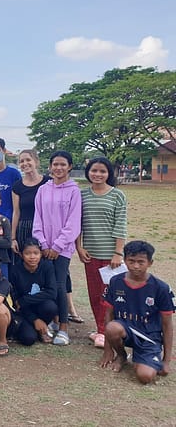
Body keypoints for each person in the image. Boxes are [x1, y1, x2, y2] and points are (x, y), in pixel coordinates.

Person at [100, 241, 174, 384]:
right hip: (125, 330)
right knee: (112, 327)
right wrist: (107, 350)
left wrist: (166, 361)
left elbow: (167, 325)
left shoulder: (161, 288)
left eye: (141, 262)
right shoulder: (115, 282)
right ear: (125, 260)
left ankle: (144, 357)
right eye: (131, 261)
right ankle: (121, 356)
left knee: (145, 376)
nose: (135, 266)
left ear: (150, 263)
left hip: (149, 337)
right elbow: (108, 315)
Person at [76, 156, 127, 349]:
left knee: (112, 295)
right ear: (88, 172)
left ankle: (113, 330)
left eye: (102, 171)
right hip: (90, 254)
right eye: (94, 170)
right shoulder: (82, 195)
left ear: (109, 174)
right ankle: (100, 331)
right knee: (95, 294)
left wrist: (118, 253)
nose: (97, 174)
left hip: (111, 255)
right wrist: (79, 247)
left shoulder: (117, 195)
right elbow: (77, 224)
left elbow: (120, 225)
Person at [32, 150, 81, 346]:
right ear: (50, 166)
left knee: (60, 286)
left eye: (63, 164)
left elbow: (73, 222)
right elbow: (38, 218)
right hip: (43, 247)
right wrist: (43, 244)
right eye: (55, 164)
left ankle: (63, 328)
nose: (59, 168)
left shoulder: (74, 190)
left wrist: (58, 246)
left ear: (69, 166)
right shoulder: (43, 189)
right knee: (45, 285)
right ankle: (50, 321)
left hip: (63, 249)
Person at [11, 238, 58, 346]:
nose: (32, 257)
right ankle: (36, 327)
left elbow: (52, 292)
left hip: (40, 307)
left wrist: (25, 300)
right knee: (28, 339)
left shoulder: (47, 266)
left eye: (36, 253)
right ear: (21, 255)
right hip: (24, 312)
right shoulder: (15, 270)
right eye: (28, 253)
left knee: (51, 307)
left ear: (41, 254)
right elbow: (16, 301)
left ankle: (43, 327)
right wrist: (34, 319)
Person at [11, 149, 49, 254]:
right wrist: (13, 238)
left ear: (36, 161)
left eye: (28, 160)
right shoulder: (17, 186)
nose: (25, 163)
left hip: (45, 228)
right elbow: (16, 212)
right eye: (22, 161)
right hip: (24, 228)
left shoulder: (49, 182)